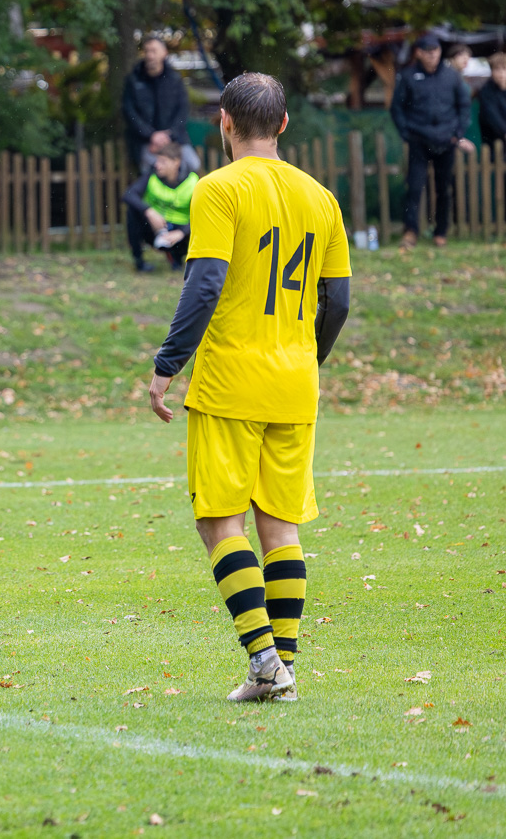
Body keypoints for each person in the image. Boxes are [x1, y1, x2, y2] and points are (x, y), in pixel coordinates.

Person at [146, 72, 351, 703]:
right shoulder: (321, 198)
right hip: (296, 382)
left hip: (232, 380)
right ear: (284, 124)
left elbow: (206, 282)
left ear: (225, 123)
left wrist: (167, 364)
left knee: (219, 520)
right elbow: (338, 301)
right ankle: (280, 668)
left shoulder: (218, 188)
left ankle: (265, 662)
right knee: (280, 526)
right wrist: (306, 357)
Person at [391, 34, 475, 247]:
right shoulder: (408, 76)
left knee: (443, 188)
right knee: (414, 187)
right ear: (419, 53)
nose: (432, 55)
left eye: (435, 51)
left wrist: (458, 132)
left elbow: (464, 105)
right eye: (428, 51)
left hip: (446, 140)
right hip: (418, 140)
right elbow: (397, 107)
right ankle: (411, 231)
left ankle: (441, 232)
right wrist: (405, 133)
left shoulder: (451, 76)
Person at [121, 36, 193, 172]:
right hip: (145, 142)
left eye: (154, 51)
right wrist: (151, 135)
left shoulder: (174, 79)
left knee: (192, 164)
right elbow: (129, 112)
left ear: (164, 53)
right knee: (151, 170)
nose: (150, 55)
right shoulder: (134, 80)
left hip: (175, 139)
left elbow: (183, 110)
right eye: (147, 51)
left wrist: (169, 134)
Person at [123, 142, 198, 272]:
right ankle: (139, 262)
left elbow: (203, 214)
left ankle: (183, 259)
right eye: (157, 160)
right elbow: (128, 195)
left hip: (182, 235)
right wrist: (149, 211)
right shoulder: (151, 176)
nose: (157, 165)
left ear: (176, 162)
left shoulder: (193, 181)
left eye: (163, 161)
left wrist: (182, 232)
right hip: (155, 230)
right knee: (132, 211)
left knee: (202, 223)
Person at [480, 51, 506, 152]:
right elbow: (492, 116)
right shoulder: (486, 91)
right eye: (497, 69)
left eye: (504, 68)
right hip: (494, 142)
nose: (501, 73)